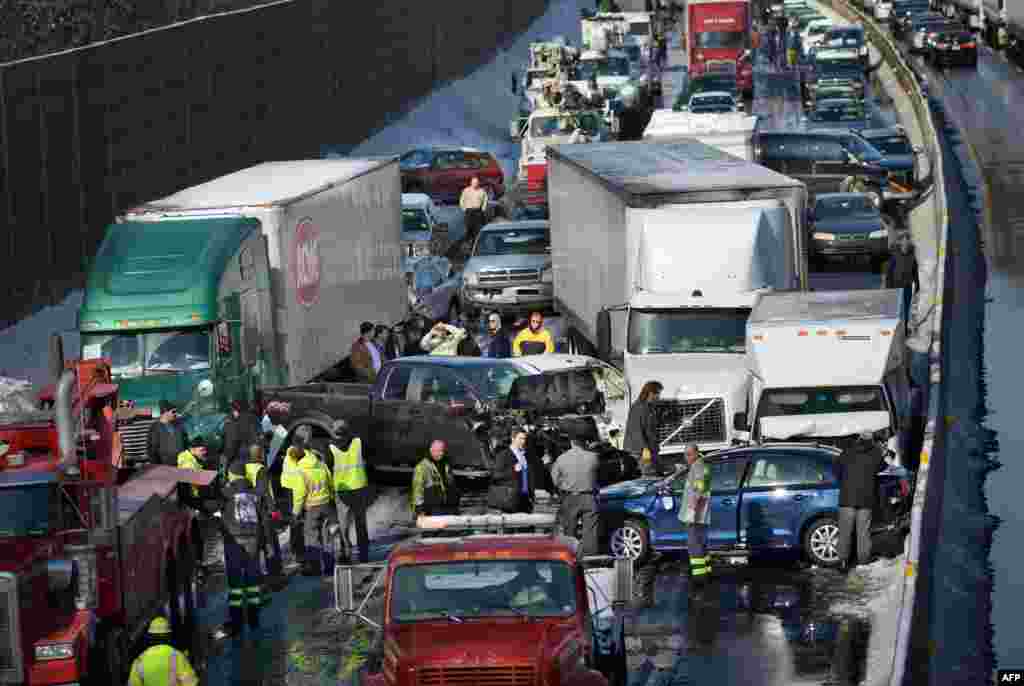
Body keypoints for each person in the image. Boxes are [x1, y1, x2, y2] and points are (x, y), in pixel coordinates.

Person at [215, 459, 266, 639]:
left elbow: (212, 507)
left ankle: (236, 622)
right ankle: (253, 619)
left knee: (236, 584)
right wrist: (264, 542)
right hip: (253, 539)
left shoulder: (225, 492)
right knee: (252, 582)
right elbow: (264, 518)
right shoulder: (256, 493)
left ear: (232, 474)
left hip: (234, 541)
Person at [834, 431, 883, 573]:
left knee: (844, 532)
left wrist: (844, 482)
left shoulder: (847, 452)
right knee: (863, 532)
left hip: (847, 498)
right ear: (871, 440)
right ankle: (863, 561)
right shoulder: (875, 453)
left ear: (859, 439)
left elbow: (836, 469)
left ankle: (843, 561)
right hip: (866, 499)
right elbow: (883, 468)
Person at [550, 429, 601, 555]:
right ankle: (590, 556)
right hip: (589, 497)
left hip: (570, 497)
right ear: (584, 443)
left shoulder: (562, 458)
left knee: (569, 529)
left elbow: (554, 479)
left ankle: (570, 554)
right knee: (591, 530)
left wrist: (564, 485)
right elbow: (599, 476)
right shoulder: (593, 457)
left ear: (572, 442)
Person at [330, 419, 371, 565]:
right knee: (360, 524)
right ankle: (363, 555)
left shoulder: (331, 448)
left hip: (343, 493)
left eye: (338, 435)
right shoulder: (359, 443)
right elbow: (368, 461)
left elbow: (328, 470)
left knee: (344, 525)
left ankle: (346, 554)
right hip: (358, 489)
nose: (338, 438)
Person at [244, 443, 284, 580]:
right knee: (270, 543)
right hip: (263, 512)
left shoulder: (245, 468)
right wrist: (274, 511)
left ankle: (258, 576)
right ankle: (275, 576)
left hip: (249, 511)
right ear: (260, 455)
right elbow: (265, 492)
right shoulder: (261, 470)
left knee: (257, 545)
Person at [294, 442, 335, 576]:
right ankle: (329, 567)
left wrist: (296, 511)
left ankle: (315, 567)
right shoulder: (321, 464)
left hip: (312, 507)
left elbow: (300, 492)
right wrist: (332, 499)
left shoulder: (301, 468)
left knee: (312, 537)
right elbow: (331, 483)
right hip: (326, 504)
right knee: (327, 536)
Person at [128, 616, 199, 686]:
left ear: (150, 637)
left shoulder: (139, 661)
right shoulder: (177, 656)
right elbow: (191, 683)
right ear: (168, 636)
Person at [678, 443, 712, 585]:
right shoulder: (700, 465)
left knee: (694, 545)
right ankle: (707, 571)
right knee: (701, 544)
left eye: (690, 454)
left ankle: (699, 577)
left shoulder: (698, 467)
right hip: (701, 513)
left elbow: (698, 490)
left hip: (695, 514)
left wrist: (692, 511)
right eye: (686, 454)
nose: (687, 457)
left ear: (697, 453)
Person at [491, 428, 538, 514]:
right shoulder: (503, 455)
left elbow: (530, 475)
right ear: (513, 438)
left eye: (524, 439)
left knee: (527, 526)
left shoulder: (527, 455)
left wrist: (532, 495)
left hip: (526, 500)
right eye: (520, 438)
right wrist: (513, 470)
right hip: (510, 500)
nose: (523, 441)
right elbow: (496, 475)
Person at [411, 440, 460, 517]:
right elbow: (417, 490)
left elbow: (452, 484)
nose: (441, 453)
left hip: (446, 506)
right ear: (431, 450)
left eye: (443, 451)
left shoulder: (446, 464)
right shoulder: (421, 467)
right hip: (430, 509)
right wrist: (419, 510)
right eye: (439, 451)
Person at [625, 381, 663, 476]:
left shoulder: (650, 407)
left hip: (650, 449)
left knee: (658, 473)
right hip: (641, 450)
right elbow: (636, 431)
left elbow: (651, 428)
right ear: (650, 393)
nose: (659, 397)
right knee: (650, 475)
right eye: (657, 393)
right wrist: (645, 450)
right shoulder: (638, 408)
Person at [885, 233, 920, 335]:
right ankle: (895, 327)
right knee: (896, 309)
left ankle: (904, 329)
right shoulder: (895, 254)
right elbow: (889, 271)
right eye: (903, 240)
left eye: (907, 240)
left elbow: (915, 271)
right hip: (895, 286)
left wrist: (917, 284)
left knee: (906, 308)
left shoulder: (913, 255)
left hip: (907, 285)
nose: (906, 242)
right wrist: (889, 287)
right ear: (900, 242)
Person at [280, 444, 306, 567]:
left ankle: (295, 552)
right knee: (297, 523)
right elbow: (300, 492)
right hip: (295, 492)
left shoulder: (288, 456)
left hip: (288, 489)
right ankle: (299, 553)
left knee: (294, 524)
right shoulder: (298, 469)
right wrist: (297, 510)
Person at [222, 398, 260, 467]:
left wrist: (228, 458)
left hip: (238, 459)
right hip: (254, 458)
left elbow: (231, 442)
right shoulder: (254, 419)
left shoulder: (231, 422)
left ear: (235, 410)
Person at [146, 400, 186, 466]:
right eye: (173, 412)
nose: (175, 414)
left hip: (182, 464)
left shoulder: (178, 425)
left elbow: (185, 442)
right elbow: (151, 451)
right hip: (166, 466)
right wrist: (157, 467)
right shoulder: (155, 428)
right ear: (165, 412)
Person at [459, 177, 489, 245]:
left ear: (478, 183)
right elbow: (461, 200)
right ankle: (468, 244)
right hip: (469, 212)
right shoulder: (466, 190)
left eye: (476, 183)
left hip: (478, 211)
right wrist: (464, 208)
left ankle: (477, 244)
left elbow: (485, 200)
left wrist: (483, 209)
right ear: (471, 183)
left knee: (478, 230)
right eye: (474, 183)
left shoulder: (482, 191)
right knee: (468, 229)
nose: (475, 184)